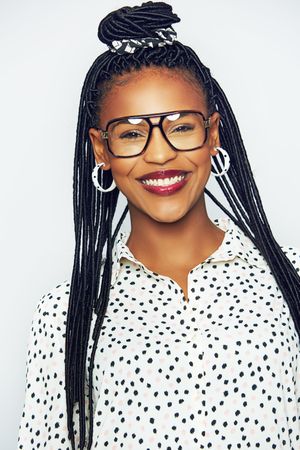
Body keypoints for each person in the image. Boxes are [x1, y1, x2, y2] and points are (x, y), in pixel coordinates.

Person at [18, 2, 300, 449]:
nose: (160, 154)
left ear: (213, 134)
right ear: (101, 149)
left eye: (181, 127)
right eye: (131, 133)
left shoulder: (293, 277)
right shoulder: (64, 315)